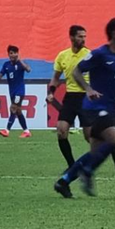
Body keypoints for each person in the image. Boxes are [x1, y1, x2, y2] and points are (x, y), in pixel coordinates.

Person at [54, 18, 115, 198]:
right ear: (114, 34)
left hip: (107, 108)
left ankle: (63, 181)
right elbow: (76, 71)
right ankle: (88, 172)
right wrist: (88, 89)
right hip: (93, 107)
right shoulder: (99, 54)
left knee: (95, 152)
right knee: (114, 139)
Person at [47, 26, 93, 170]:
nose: (83, 39)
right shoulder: (62, 56)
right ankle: (71, 165)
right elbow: (55, 78)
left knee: (89, 137)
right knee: (61, 131)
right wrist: (51, 92)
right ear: (72, 37)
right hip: (70, 97)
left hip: (85, 98)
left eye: (84, 36)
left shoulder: (89, 55)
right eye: (80, 36)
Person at [0, 45, 32, 138]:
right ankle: (26, 131)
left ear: (17, 54)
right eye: (10, 54)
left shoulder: (20, 64)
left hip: (19, 92)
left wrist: (20, 60)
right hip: (12, 92)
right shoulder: (6, 65)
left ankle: (7, 130)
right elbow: (1, 74)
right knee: (18, 111)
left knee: (13, 108)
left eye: (13, 53)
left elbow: (29, 69)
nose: (11, 55)